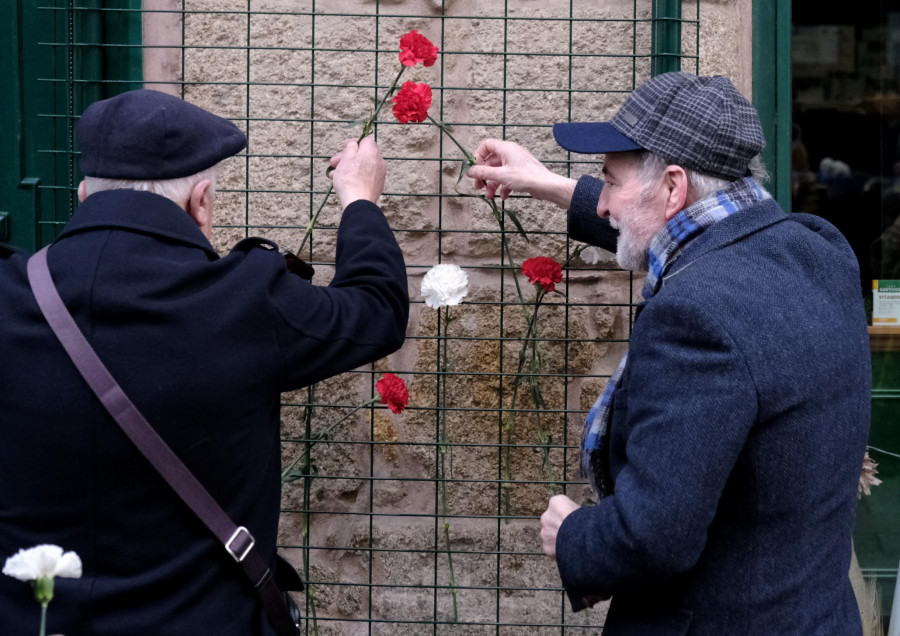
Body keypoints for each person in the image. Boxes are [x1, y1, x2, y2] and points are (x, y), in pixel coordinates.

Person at [467, 72, 871, 635]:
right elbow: (696, 234)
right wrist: (548, 183)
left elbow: (652, 538)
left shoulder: (694, 318)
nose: (603, 202)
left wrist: (574, 536)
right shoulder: (818, 249)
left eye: (609, 179)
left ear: (675, 188)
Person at [0, 89, 408, 635]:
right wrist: (359, 199)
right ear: (201, 201)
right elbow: (375, 311)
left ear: (82, 195)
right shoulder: (245, 300)